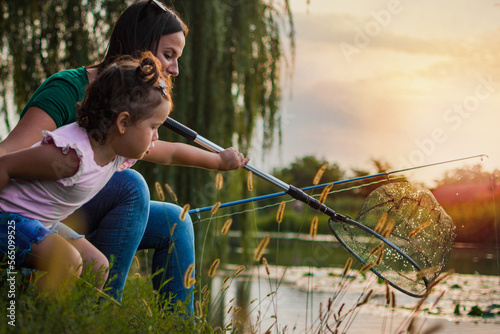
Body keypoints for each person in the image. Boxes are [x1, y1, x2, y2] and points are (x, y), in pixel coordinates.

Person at [0, 0, 249, 311]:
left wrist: (219, 160)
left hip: (67, 201)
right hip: (24, 207)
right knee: (132, 184)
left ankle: (176, 327)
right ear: (140, 49)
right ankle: (96, 311)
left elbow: (167, 152)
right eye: (168, 55)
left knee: (176, 221)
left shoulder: (130, 125)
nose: (175, 69)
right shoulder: (69, 93)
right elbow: (8, 155)